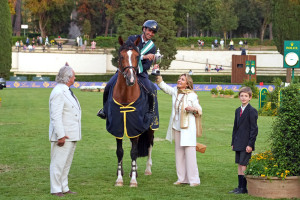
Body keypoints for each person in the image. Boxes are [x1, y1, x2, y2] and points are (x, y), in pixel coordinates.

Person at [100, 20, 159, 117]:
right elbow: (127, 54)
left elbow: (147, 65)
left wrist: (136, 70)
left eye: (153, 32)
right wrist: (143, 57)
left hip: (140, 72)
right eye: (149, 30)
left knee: (151, 89)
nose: (151, 33)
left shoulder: (152, 47)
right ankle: (104, 110)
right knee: (108, 86)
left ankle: (150, 112)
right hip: (125, 71)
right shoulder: (132, 38)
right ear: (144, 29)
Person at [155, 73, 202, 187]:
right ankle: (182, 178)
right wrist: (160, 80)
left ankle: (194, 180)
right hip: (176, 127)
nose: (179, 81)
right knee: (179, 154)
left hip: (188, 129)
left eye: (182, 79)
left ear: (187, 84)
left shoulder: (192, 95)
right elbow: (165, 88)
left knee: (190, 154)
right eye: (179, 79)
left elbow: (199, 110)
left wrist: (192, 109)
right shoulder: (175, 92)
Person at [49, 64, 81, 197]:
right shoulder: (58, 92)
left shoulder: (66, 90)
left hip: (72, 134)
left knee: (66, 164)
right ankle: (56, 189)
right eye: (73, 76)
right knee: (58, 163)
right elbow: (55, 116)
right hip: (64, 135)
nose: (75, 78)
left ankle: (64, 187)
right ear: (68, 77)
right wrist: (60, 135)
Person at [229, 87, 258, 194]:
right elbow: (235, 127)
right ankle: (239, 186)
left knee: (244, 164)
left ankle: (244, 188)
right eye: (241, 96)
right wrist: (233, 142)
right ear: (239, 97)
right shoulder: (238, 110)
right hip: (238, 142)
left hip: (246, 143)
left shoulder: (252, 111)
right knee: (239, 164)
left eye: (246, 96)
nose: (243, 98)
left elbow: (254, 129)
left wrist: (250, 144)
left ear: (250, 97)